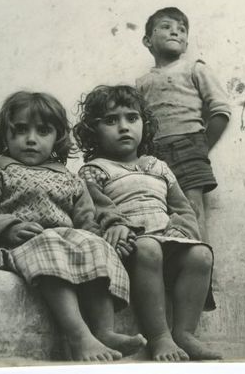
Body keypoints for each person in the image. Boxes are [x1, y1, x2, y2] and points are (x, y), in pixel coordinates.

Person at [0, 91, 146, 362]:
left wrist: (100, 241)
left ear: (57, 137)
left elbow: (86, 220)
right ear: (5, 136)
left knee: (96, 245)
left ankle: (104, 330)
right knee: (49, 243)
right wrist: (6, 228)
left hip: (65, 244)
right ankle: (78, 334)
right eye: (21, 130)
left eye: (43, 131)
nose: (31, 139)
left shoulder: (70, 179)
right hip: (20, 246)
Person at [74, 85, 220, 362]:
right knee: (149, 247)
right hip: (132, 251)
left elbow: (183, 208)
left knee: (201, 254)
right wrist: (115, 228)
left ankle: (185, 332)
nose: (123, 127)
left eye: (132, 118)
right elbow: (98, 209)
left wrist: (182, 227)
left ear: (145, 123)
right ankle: (160, 337)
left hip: (170, 245)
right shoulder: (94, 170)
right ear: (93, 131)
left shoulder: (158, 166)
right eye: (110, 120)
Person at [136, 7, 231, 243]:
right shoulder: (141, 83)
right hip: (154, 153)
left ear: (186, 44)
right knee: (159, 210)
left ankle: (203, 269)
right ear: (148, 40)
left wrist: (201, 147)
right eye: (166, 27)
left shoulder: (194, 68)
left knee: (191, 208)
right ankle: (175, 271)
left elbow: (220, 110)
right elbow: (138, 122)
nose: (175, 32)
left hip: (190, 146)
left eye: (182, 30)